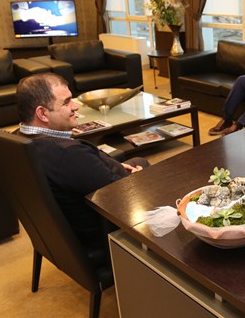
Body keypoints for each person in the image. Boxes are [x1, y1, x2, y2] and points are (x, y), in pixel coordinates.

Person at [15, 73, 149, 250]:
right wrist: (138, 179)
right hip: (100, 236)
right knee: (147, 174)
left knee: (136, 160)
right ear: (42, 113)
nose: (76, 106)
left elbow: (84, 171)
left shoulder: (18, 139)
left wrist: (111, 165)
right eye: (66, 102)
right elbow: (122, 194)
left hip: (60, 234)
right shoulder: (68, 154)